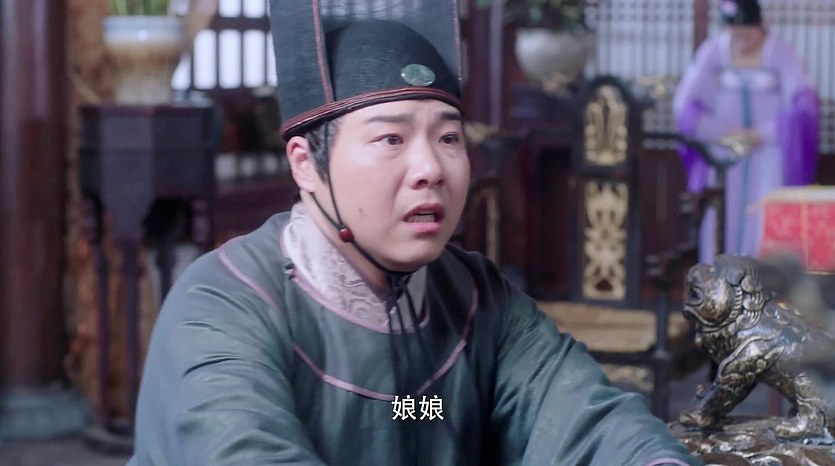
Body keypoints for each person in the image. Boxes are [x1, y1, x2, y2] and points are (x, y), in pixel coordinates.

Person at [127, 0, 702, 464]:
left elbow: (580, 415)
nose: (430, 168)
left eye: (449, 138)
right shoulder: (222, 308)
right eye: (391, 139)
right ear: (305, 164)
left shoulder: (474, 297)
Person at [673, 0, 819, 264]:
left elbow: (803, 108)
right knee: (720, 216)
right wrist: (721, 132)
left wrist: (763, 134)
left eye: (747, 35)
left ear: (761, 26)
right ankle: (718, 281)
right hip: (724, 153)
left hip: (769, 153)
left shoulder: (780, 52)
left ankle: (767, 284)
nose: (741, 42)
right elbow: (686, 106)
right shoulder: (714, 51)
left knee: (765, 215)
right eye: (735, 35)